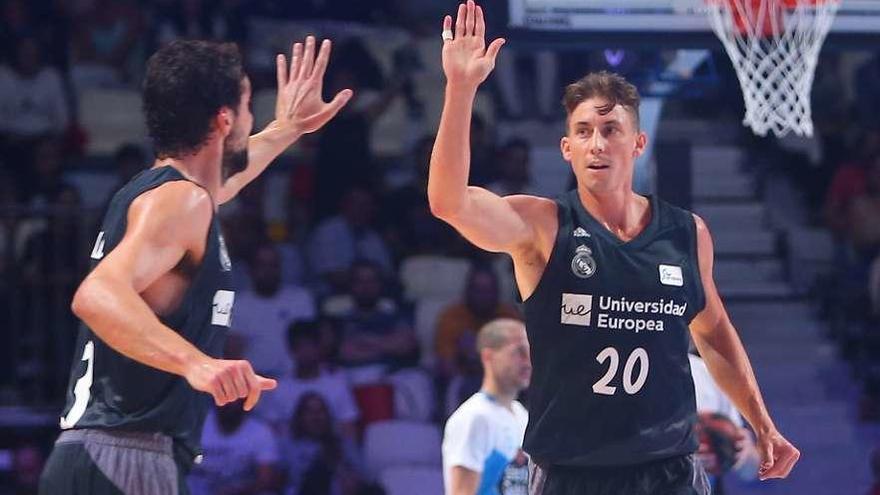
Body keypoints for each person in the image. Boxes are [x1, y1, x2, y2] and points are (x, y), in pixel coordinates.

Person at [427, 2, 799, 494]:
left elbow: (713, 331)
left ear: (638, 143)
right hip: (571, 472)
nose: (597, 144)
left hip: (669, 469)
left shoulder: (687, 232)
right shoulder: (542, 225)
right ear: (567, 149)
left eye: (610, 130)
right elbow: (448, 202)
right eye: (582, 132)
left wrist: (762, 421)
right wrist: (460, 88)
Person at [39, 36, 352, 495]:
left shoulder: (166, 193)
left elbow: (228, 178)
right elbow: (96, 294)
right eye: (248, 106)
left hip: (110, 455)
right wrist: (196, 363)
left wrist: (289, 128)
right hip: (125, 457)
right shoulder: (180, 201)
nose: (251, 119)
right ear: (224, 120)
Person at [442, 318, 532, 495]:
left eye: (530, 352)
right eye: (519, 351)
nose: (527, 361)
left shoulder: (522, 415)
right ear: (488, 356)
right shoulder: (474, 417)